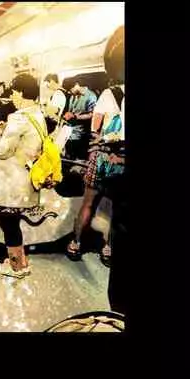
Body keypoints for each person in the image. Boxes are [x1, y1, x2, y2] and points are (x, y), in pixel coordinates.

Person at [66, 26, 125, 267]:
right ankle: (108, 249)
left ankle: (76, 243)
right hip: (123, 160)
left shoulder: (107, 95)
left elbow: (95, 129)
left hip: (102, 157)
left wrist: (96, 149)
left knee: (88, 203)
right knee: (117, 209)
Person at [0, 72, 46, 278]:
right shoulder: (38, 115)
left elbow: (2, 150)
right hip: (26, 179)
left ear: (21, 92)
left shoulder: (19, 117)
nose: (11, 97)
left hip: (12, 183)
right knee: (13, 223)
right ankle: (21, 261)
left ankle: (16, 268)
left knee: (8, 224)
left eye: (13, 92)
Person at [63, 77, 97, 161]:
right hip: (70, 134)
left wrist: (75, 116)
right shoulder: (72, 96)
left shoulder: (91, 96)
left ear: (76, 85)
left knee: (80, 161)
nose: (70, 92)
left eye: (70, 89)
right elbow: (72, 111)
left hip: (82, 136)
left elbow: (92, 115)